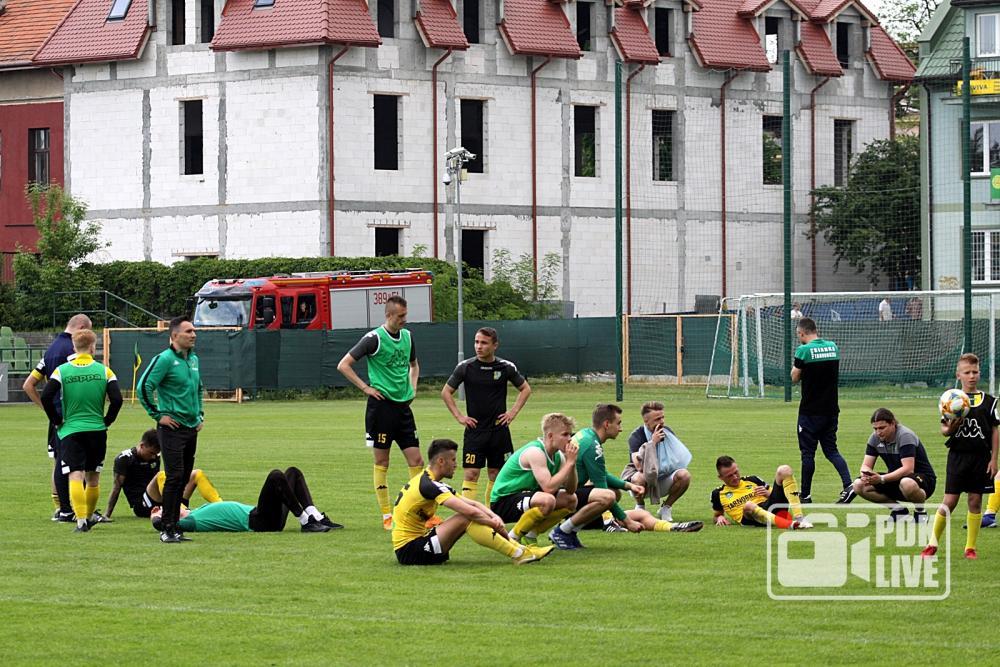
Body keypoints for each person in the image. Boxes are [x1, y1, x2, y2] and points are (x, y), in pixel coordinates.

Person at [550, 404, 702, 549]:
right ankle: (564, 531)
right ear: (607, 424)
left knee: (636, 511)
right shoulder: (593, 446)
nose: (621, 428)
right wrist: (627, 521)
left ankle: (673, 527)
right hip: (564, 501)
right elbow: (603, 489)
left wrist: (627, 485)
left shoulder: (585, 435)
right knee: (610, 496)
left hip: (568, 497)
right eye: (619, 423)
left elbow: (601, 475)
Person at [338, 295, 425, 530]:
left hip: (403, 408)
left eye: (405, 316)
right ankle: (387, 515)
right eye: (400, 317)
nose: (404, 321)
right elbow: (344, 364)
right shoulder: (374, 339)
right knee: (382, 461)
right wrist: (366, 388)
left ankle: (418, 514)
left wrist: (413, 387)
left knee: (417, 460)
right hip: (381, 408)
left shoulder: (408, 337)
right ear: (388, 315)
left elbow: (414, 365)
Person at [392, 439, 554, 565]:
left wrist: (493, 516)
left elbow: (473, 504)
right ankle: (519, 554)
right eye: (453, 460)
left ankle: (520, 550)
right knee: (466, 517)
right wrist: (493, 523)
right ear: (441, 461)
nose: (456, 465)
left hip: (418, 542)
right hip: (410, 550)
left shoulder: (429, 480)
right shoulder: (430, 485)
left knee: (469, 515)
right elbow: (469, 512)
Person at [40, 329, 123, 533]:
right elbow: (117, 399)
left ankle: (81, 521)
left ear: (74, 348)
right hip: (96, 429)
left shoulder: (62, 370)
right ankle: (89, 515)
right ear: (93, 347)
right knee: (93, 477)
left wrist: (57, 420)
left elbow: (46, 396)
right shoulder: (104, 371)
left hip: (71, 430)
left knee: (75, 475)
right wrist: (107, 420)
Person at [441, 327, 532, 504]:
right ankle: (469, 516)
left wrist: (512, 413)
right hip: (475, 431)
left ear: (494, 345)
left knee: (496, 474)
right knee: (471, 473)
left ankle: (491, 515)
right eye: (476, 342)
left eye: (484, 343)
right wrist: (460, 417)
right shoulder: (466, 367)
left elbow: (525, 389)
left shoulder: (505, 367)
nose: (479, 346)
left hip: (499, 431)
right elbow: (446, 392)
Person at [922, 354, 999, 560]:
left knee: (975, 501)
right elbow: (944, 429)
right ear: (959, 375)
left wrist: (994, 460)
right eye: (967, 373)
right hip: (957, 456)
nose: (972, 376)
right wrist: (950, 429)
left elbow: (994, 431)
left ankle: (970, 548)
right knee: (950, 501)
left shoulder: (989, 401)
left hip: (981, 458)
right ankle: (932, 544)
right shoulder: (951, 399)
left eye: (975, 372)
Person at [138, 315, 205, 543]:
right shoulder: (164, 359)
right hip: (172, 429)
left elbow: (198, 389)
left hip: (190, 428)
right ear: (175, 335)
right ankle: (167, 528)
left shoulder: (193, 359)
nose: (193, 334)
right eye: (188, 331)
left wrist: (200, 415)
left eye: (194, 331)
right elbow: (144, 386)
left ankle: (175, 525)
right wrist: (158, 415)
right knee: (174, 476)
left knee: (184, 476)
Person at [22, 313, 92, 521]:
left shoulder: (52, 349)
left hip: (56, 417)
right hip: (71, 417)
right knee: (74, 464)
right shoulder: (70, 351)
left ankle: (60, 506)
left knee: (59, 462)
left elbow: (28, 385)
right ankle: (72, 509)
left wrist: (47, 410)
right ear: (80, 328)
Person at [151, 467, 340, 534]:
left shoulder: (195, 512)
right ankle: (305, 521)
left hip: (263, 516)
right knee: (275, 476)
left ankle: (314, 516)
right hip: (258, 521)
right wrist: (156, 518)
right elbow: (164, 525)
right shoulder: (192, 521)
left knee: (292, 473)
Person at [489, 413, 580, 544]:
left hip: (526, 497)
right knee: (547, 500)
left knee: (571, 500)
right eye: (565, 434)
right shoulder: (535, 452)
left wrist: (572, 464)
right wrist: (569, 463)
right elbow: (548, 488)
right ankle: (512, 538)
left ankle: (531, 535)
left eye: (570, 435)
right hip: (503, 501)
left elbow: (571, 490)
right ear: (550, 436)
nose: (569, 439)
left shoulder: (558, 456)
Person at [791, 317, 853, 503]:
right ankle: (848, 485)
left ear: (802, 333)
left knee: (808, 454)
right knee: (831, 450)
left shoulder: (803, 350)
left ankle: (806, 495)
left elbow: (794, 376)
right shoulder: (832, 347)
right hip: (831, 409)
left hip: (810, 411)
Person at [103, 429, 222, 519]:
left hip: (164, 498)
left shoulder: (155, 457)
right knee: (161, 475)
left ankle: (223, 507)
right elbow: (116, 487)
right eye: (151, 453)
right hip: (143, 505)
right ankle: (180, 510)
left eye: (156, 454)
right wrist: (107, 514)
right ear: (142, 446)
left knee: (197, 474)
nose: (154, 456)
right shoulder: (124, 458)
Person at [851, 408, 935, 520]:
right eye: (875, 428)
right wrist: (867, 476)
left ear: (893, 424)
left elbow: (908, 469)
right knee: (858, 484)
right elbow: (866, 465)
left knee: (907, 482)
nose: (878, 432)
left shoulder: (905, 435)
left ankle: (920, 512)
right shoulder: (875, 438)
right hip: (896, 480)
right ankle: (898, 511)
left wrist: (881, 479)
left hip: (922, 481)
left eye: (882, 428)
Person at [621, 400, 692, 521]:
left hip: (663, 478)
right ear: (646, 421)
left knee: (685, 475)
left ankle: (666, 508)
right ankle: (640, 507)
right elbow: (638, 466)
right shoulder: (637, 436)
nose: (662, 422)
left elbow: (676, 458)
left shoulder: (667, 432)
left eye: (662, 417)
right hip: (642, 484)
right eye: (657, 419)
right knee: (638, 477)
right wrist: (652, 443)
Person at [712, 456, 811, 529]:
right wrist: (719, 517)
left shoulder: (752, 479)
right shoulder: (718, 493)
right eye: (730, 475)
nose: (735, 477)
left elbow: (777, 496)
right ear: (721, 477)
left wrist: (767, 494)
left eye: (736, 472)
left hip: (771, 509)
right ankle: (788, 524)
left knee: (784, 469)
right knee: (748, 505)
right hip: (749, 518)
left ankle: (799, 518)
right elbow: (716, 515)